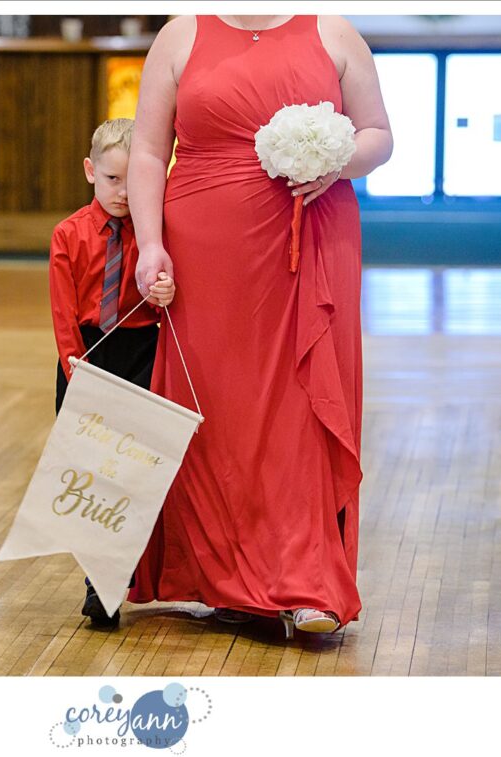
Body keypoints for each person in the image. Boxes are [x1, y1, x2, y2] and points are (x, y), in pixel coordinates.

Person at [127, 15, 392, 636]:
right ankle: (218, 577)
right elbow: (146, 149)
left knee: (302, 405)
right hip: (203, 249)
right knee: (214, 405)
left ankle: (308, 581)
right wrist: (148, 245)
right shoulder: (180, 34)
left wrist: (340, 160)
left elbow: (380, 135)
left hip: (312, 237)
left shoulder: (333, 31)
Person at [48, 117, 175, 626]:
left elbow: (170, 293)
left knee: (133, 474)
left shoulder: (160, 232)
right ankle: (97, 579)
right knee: (92, 477)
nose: (123, 193)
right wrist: (74, 369)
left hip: (142, 351)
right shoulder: (68, 234)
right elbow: (61, 313)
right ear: (89, 172)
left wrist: (164, 294)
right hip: (86, 359)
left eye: (134, 181)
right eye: (112, 180)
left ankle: (120, 576)